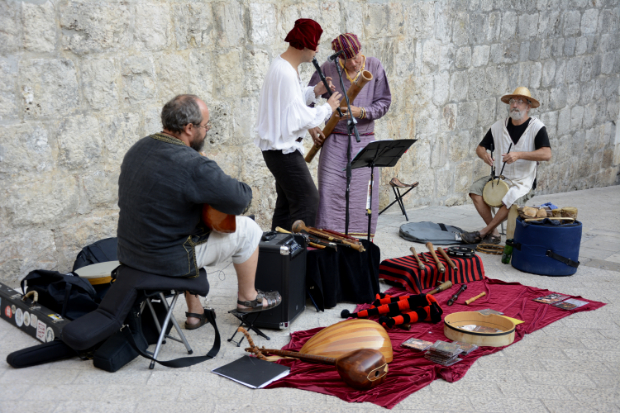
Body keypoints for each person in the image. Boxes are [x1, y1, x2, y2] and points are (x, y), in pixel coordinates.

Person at [117, 94, 281, 330]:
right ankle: (248, 298)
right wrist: (213, 170)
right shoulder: (192, 163)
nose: (207, 131)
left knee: (185, 223)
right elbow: (240, 199)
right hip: (166, 259)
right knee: (248, 229)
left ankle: (195, 312)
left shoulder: (138, 148)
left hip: (131, 254)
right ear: (188, 128)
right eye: (205, 126)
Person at [255, 18, 342, 231]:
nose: (318, 49)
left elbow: (289, 103)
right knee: (308, 203)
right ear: (304, 44)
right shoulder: (285, 72)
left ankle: (277, 259)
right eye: (316, 43)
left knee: (286, 208)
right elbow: (298, 117)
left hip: (278, 150)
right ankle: (301, 258)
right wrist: (328, 108)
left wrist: (315, 92)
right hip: (282, 152)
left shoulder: (284, 66)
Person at [308, 33, 391, 237]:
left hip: (364, 142)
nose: (355, 63)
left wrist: (361, 112)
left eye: (358, 57)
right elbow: (306, 98)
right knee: (329, 194)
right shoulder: (328, 68)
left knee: (362, 199)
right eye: (349, 59)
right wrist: (311, 126)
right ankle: (329, 246)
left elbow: (384, 102)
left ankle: (358, 248)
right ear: (340, 59)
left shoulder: (374, 65)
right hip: (333, 141)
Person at [461, 87, 552, 244]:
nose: (514, 105)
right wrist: (485, 155)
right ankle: (494, 233)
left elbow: (547, 154)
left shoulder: (537, 127)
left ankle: (483, 232)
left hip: (524, 181)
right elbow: (480, 148)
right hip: (500, 177)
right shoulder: (498, 127)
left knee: (511, 198)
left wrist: (519, 154)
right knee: (475, 191)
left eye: (519, 102)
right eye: (512, 101)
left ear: (528, 106)